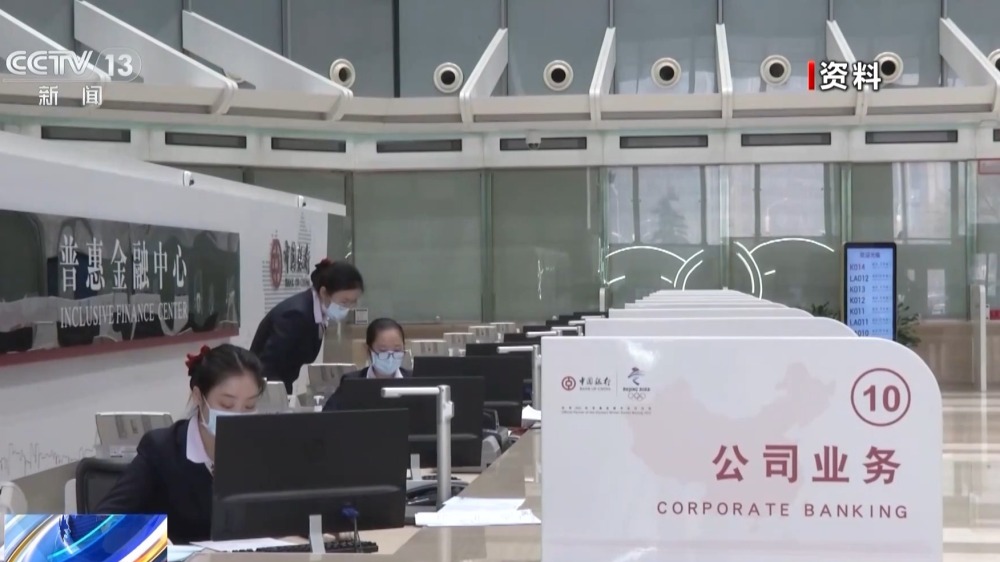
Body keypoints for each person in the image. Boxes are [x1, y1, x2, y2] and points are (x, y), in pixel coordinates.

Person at [95, 344, 265, 544]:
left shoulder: (262, 451)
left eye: (249, 406)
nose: (237, 416)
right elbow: (103, 523)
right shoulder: (161, 450)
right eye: (226, 405)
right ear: (198, 397)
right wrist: (153, 544)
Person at [250, 259, 364, 394]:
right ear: (323, 293)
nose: (348, 307)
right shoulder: (296, 315)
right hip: (263, 388)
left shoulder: (316, 313)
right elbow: (269, 367)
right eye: (344, 302)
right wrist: (279, 400)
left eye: (353, 302)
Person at [322, 318, 410, 411]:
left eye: (397, 350)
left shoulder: (414, 381)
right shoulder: (352, 384)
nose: (390, 357)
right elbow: (328, 415)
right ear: (368, 350)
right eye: (383, 350)